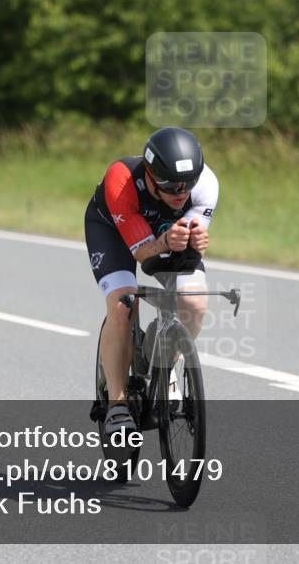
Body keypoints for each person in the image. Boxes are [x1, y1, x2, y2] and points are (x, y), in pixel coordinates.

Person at [84, 127, 218, 435]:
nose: (180, 193)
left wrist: (195, 239)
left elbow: (189, 245)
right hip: (113, 231)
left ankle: (166, 364)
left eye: (188, 185)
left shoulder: (206, 183)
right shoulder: (122, 182)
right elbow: (144, 254)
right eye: (170, 187)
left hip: (164, 229)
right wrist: (164, 242)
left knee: (194, 301)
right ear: (150, 173)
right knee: (122, 303)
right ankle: (117, 404)